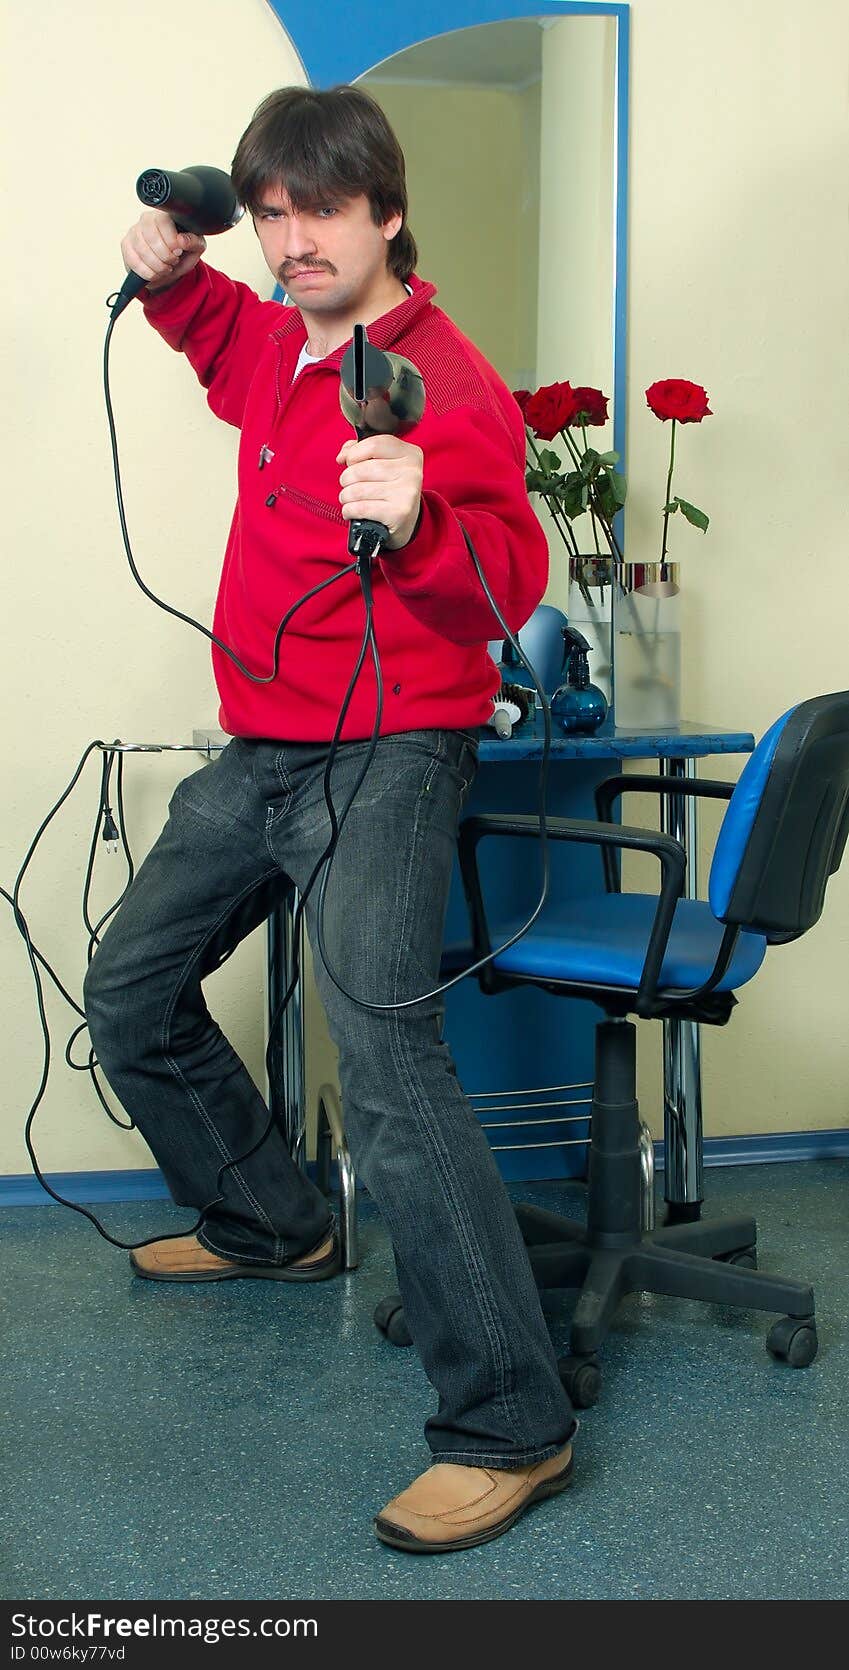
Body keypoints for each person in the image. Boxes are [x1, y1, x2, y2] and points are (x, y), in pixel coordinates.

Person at [85, 84, 577, 1555]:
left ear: (385, 213)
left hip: (393, 752)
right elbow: (218, 331)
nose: (292, 240)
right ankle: (274, 1221)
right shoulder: (281, 352)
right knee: (130, 985)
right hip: (264, 748)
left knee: (382, 1047)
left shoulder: (446, 377)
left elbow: (509, 585)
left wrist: (429, 518)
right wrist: (172, 271)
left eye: (320, 212)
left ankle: (510, 1420)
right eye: (273, 213)